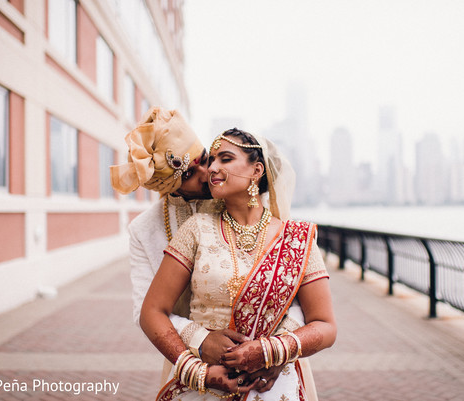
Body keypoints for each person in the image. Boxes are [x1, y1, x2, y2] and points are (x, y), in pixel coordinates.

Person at [110, 108, 302, 390]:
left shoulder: (243, 199)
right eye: (189, 172)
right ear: (170, 187)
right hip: (190, 358)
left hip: (270, 367)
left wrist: (276, 354)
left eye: (204, 158)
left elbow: (292, 279)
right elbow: (146, 311)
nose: (208, 172)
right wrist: (201, 342)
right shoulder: (144, 231)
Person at [140, 128, 337, 400]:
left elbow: (325, 325)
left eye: (226, 159)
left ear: (257, 170)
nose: (212, 168)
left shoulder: (296, 237)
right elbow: (151, 312)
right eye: (212, 160)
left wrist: (271, 353)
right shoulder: (196, 229)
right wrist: (198, 372)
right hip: (206, 385)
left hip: (273, 386)